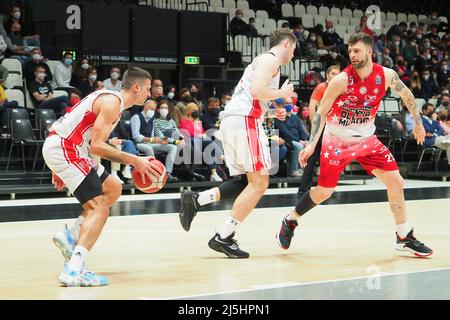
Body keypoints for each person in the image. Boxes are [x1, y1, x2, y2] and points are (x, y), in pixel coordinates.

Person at [276, 33, 433, 257]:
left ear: (370, 51)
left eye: (357, 51)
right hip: (337, 139)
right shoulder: (341, 80)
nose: (352, 55)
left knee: (396, 182)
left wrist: (418, 123)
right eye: (350, 51)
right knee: (324, 192)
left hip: (367, 139)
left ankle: (403, 236)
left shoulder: (386, 75)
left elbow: (407, 94)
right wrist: (311, 144)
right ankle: (290, 220)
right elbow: (321, 113)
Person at [179, 28, 296, 258]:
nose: (294, 53)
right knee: (260, 183)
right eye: (293, 48)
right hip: (245, 122)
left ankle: (197, 200)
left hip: (237, 120)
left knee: (246, 182)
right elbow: (256, 91)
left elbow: (255, 96)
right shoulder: (270, 60)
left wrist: (274, 109)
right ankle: (224, 236)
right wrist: (283, 92)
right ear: (286, 44)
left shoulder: (266, 63)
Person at [43, 67, 163, 287]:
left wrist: (56, 166)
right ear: (136, 87)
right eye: (147, 89)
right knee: (99, 209)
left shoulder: (110, 100)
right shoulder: (112, 102)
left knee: (113, 187)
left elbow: (72, 123)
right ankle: (74, 269)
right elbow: (97, 147)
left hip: (66, 147)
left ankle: (71, 234)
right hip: (66, 148)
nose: (149, 94)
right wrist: (135, 160)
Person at [131, 98, 180, 183]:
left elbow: (154, 135)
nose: (153, 111)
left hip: (150, 143)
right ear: (145, 107)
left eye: (154, 109)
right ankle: (155, 173)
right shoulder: (136, 117)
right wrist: (152, 139)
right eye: (151, 109)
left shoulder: (154, 119)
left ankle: (168, 173)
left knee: (172, 147)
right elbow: (136, 136)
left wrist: (162, 140)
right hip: (138, 144)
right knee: (148, 148)